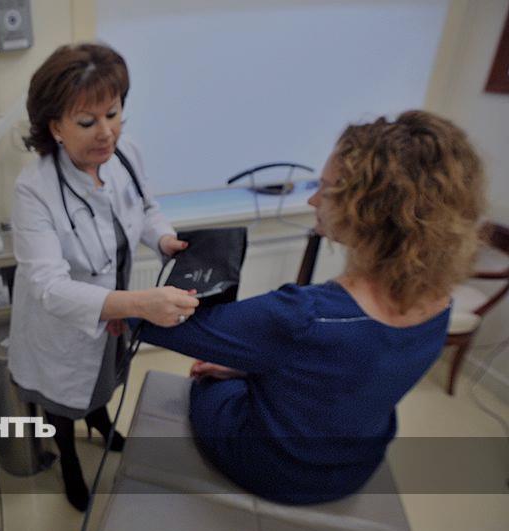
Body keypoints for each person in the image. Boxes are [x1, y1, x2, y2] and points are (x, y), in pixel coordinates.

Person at [137, 110, 486, 504]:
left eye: (326, 188)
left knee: (208, 380)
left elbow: (158, 322)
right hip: (354, 467)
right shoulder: (441, 302)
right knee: (248, 371)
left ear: (368, 208)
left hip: (272, 470)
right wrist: (247, 364)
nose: (312, 199)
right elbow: (346, 377)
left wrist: (109, 301)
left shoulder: (306, 315)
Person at [7, 43, 199, 511]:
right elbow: (49, 287)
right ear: (55, 126)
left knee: (104, 378)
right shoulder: (34, 190)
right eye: (87, 121)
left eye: (113, 114)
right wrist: (138, 304)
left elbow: (147, 208)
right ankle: (69, 460)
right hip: (63, 324)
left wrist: (164, 240)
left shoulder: (126, 154)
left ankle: (100, 420)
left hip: (113, 306)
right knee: (61, 399)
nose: (106, 132)